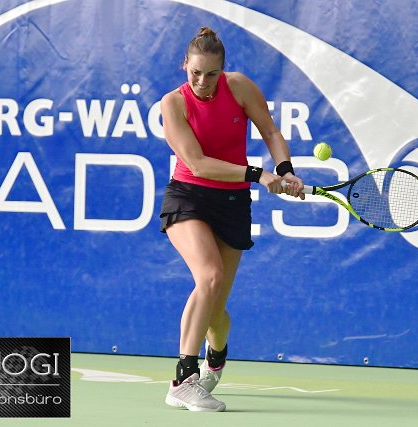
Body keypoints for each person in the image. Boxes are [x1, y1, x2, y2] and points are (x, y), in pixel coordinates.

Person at [160, 26, 304, 412]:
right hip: (188, 196)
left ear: (222, 70)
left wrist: (285, 170)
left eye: (211, 74)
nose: (202, 82)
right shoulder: (172, 104)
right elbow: (197, 163)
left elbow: (270, 131)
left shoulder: (239, 87)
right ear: (185, 66)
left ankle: (217, 353)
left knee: (216, 313)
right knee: (209, 276)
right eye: (195, 73)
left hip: (232, 203)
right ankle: (183, 380)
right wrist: (260, 175)